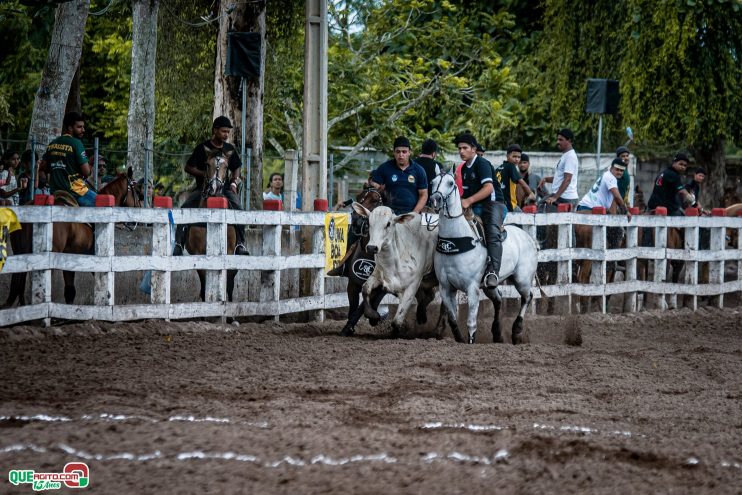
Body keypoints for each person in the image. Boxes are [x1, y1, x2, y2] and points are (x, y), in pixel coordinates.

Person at [173, 116, 249, 255]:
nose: (226, 135)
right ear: (215, 130)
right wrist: (206, 174)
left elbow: (236, 167)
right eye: (223, 131)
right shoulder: (202, 148)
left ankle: (240, 244)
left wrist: (233, 182)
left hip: (224, 189)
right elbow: (188, 168)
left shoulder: (229, 149)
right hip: (203, 189)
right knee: (184, 208)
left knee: (238, 208)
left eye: (228, 132)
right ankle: (179, 243)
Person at [455, 132, 505, 287]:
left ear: (474, 149)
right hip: (476, 205)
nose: (461, 151)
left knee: (491, 232)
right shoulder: (464, 169)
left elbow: (489, 188)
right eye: (459, 148)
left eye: (465, 148)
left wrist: (468, 200)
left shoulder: (481, 163)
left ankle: (493, 272)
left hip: (494, 204)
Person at [42, 112, 96, 206]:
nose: (83, 130)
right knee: (102, 204)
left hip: (55, 192)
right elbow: (86, 172)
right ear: (70, 128)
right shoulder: (76, 143)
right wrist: (90, 166)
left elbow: (43, 168)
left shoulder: (52, 144)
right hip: (76, 192)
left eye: (83, 127)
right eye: (79, 127)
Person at [369, 136, 428, 214]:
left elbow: (423, 194)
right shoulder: (385, 168)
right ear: (394, 152)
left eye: (404, 152)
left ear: (409, 152)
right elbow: (373, 185)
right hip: (388, 214)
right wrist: (375, 185)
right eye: (398, 151)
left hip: (410, 214)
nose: (401, 155)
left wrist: (414, 213)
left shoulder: (418, 170)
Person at [539, 128, 579, 208]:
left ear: (569, 140)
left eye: (561, 140)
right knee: (540, 204)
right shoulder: (566, 155)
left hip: (566, 198)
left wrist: (555, 197)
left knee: (541, 208)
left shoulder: (570, 157)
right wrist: (546, 179)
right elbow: (560, 178)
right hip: (561, 197)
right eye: (557, 139)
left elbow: (567, 179)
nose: (558, 142)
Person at [496, 144, 534, 212]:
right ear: (507, 156)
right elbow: (522, 183)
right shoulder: (511, 166)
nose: (516, 159)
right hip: (509, 205)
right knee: (524, 220)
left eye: (519, 157)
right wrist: (531, 194)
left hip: (497, 205)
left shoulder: (498, 168)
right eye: (514, 156)